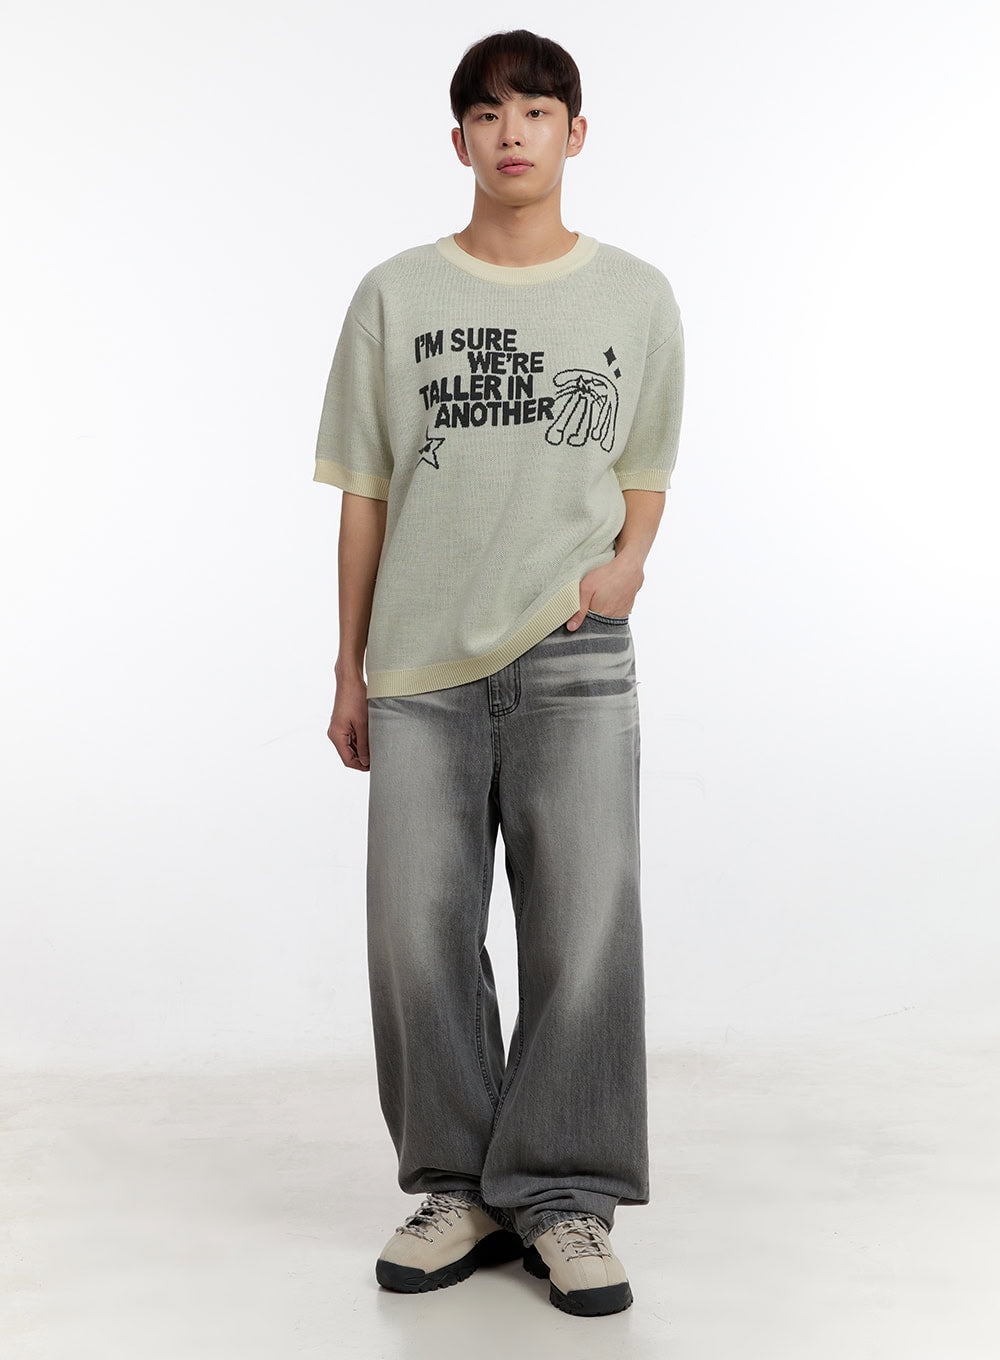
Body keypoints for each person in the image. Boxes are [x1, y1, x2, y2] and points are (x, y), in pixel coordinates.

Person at [313, 29, 684, 1318]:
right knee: (416, 934)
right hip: (419, 665)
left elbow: (645, 465)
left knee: (583, 930)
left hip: (572, 650)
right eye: (487, 112)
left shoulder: (634, 295)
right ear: (459, 139)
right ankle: (458, 1185)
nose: (511, 132)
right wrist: (349, 668)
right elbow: (365, 492)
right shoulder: (395, 294)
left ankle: (563, 1193)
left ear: (575, 134)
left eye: (535, 110)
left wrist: (625, 569)